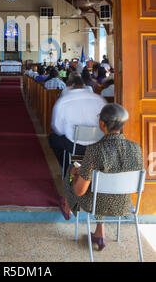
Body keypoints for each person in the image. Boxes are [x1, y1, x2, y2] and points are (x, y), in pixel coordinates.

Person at [60, 104, 143, 252]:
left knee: (71, 171)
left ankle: (67, 205)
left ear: (101, 123)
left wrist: (75, 174)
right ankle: (99, 232)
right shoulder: (136, 148)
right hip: (124, 204)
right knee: (102, 186)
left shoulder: (95, 150)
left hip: (95, 205)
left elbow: (79, 191)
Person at [48, 78, 106, 175]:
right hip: (97, 144)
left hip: (74, 146)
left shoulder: (63, 101)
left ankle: (69, 170)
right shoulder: (99, 99)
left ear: (71, 86)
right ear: (84, 86)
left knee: (53, 138)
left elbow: (58, 128)